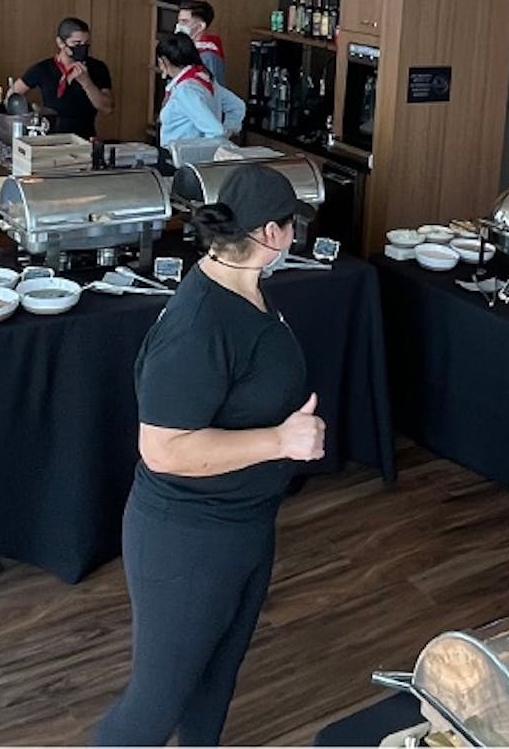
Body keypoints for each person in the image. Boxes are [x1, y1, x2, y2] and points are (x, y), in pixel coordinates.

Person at [92, 164, 325, 746]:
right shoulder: (197, 325)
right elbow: (163, 449)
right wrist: (280, 442)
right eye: (292, 226)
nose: (294, 236)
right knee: (154, 706)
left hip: (245, 526)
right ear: (271, 234)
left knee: (214, 683)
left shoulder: (245, 287)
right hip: (188, 542)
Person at [10, 17, 114, 139]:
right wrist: (32, 116)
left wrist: (87, 83)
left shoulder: (97, 68)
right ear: (61, 43)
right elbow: (13, 95)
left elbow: (107, 108)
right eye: (77, 44)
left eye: (86, 44)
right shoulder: (43, 69)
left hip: (85, 139)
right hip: (49, 139)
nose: (82, 48)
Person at [156, 32, 245, 148]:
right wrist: (229, 130)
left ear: (164, 61)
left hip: (182, 159)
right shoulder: (204, 78)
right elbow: (237, 106)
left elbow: (216, 131)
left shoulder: (185, 90)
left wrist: (212, 147)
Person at [176, 0, 227, 86]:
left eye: (185, 21)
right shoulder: (184, 48)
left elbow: (213, 91)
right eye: (179, 21)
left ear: (200, 26)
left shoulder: (209, 56)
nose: (179, 25)